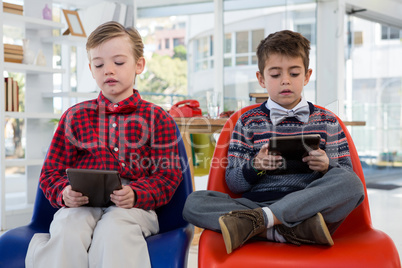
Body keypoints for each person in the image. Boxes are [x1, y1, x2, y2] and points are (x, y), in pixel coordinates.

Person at [183, 30, 365, 254]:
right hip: (257, 205)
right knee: (193, 202)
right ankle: (284, 230)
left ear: (307, 76)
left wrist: (327, 166)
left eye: (294, 73)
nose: (285, 80)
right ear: (261, 79)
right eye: (276, 74)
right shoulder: (246, 122)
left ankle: (259, 224)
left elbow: (345, 176)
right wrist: (255, 167)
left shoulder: (328, 121)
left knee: (352, 184)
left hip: (307, 207)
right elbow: (233, 182)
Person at [25, 21, 182, 267]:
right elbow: (50, 172)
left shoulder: (157, 118)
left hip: (134, 205)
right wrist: (65, 192)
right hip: (82, 202)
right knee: (68, 227)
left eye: (118, 63)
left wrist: (138, 193)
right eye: (99, 64)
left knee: (114, 231)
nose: (108, 70)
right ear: (91, 68)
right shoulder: (74, 116)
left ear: (139, 65)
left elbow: (168, 175)